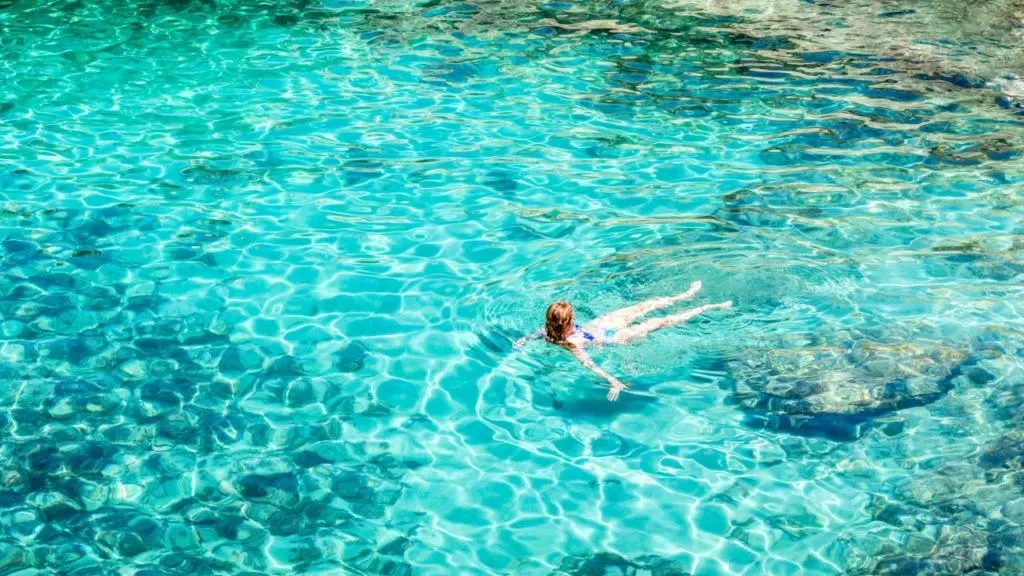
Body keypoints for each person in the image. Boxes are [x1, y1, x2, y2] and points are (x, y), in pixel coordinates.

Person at [517, 281, 732, 401]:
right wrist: (613, 381)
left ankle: (685, 295)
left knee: (644, 306)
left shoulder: (546, 329)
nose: (575, 320)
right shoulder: (572, 344)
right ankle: (710, 307)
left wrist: (523, 340)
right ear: (565, 323)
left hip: (601, 324)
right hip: (614, 337)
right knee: (662, 321)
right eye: (572, 319)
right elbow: (589, 364)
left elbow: (536, 333)